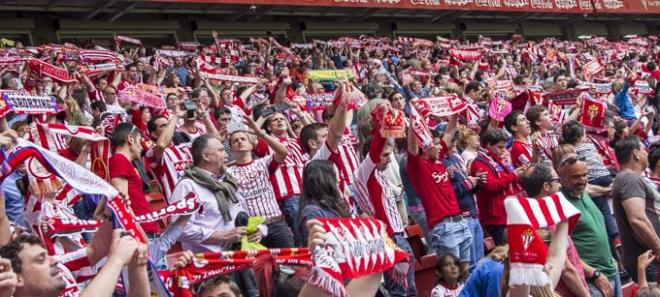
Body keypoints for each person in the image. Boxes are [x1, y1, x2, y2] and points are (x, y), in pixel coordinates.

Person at [406, 109, 473, 278]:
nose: (439, 145)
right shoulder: (418, 166)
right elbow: (412, 147)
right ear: (425, 148)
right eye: (434, 143)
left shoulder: (439, 158)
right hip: (443, 227)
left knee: (465, 271)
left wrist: (455, 110)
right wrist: (414, 122)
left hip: (460, 222)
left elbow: (450, 131)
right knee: (451, 276)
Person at [355, 118, 417, 297]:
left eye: (390, 154)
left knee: (410, 289)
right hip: (388, 238)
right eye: (385, 155)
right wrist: (383, 125)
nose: (389, 160)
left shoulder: (380, 176)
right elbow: (375, 149)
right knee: (399, 291)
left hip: (398, 236)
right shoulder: (364, 173)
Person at [0, 230, 150, 297]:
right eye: (41, 260)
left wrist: (138, 266)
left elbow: (96, 249)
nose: (55, 260)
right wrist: (116, 260)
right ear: (17, 278)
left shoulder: (61, 272)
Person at [520, 163, 591, 297]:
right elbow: (566, 270)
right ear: (546, 186)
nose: (560, 185)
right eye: (557, 181)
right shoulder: (542, 222)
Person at [558, 154, 622, 297]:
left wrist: (610, 259)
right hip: (593, 280)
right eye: (576, 177)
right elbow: (561, 253)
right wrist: (593, 273)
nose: (582, 180)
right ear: (561, 178)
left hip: (610, 272)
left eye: (585, 175)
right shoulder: (560, 204)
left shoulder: (582, 192)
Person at [226, 115, 293, 248]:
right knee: (260, 268)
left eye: (243, 139)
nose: (239, 141)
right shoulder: (227, 172)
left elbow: (283, 152)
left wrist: (260, 133)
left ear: (251, 145)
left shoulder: (264, 162)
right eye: (235, 141)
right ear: (232, 149)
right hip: (251, 229)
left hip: (276, 224)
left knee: (290, 267)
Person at [612, 136, 660, 283]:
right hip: (648, 258)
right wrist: (658, 248)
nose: (646, 153)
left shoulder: (628, 178)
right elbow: (637, 219)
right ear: (636, 154)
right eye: (643, 150)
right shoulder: (629, 179)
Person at [470, 128, 527, 245]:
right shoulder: (479, 163)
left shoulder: (500, 159)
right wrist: (514, 175)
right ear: (488, 145)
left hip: (510, 212)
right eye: (500, 147)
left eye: (504, 147)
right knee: (506, 252)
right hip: (496, 219)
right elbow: (491, 186)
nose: (503, 150)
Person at [109, 123, 159, 237]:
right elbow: (122, 204)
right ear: (130, 139)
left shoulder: (124, 161)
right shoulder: (119, 160)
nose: (142, 146)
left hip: (144, 227)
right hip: (140, 231)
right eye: (140, 141)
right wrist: (142, 236)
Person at [297, 159, 351, 246]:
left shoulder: (334, 204)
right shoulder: (311, 212)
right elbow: (315, 247)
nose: (338, 179)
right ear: (325, 179)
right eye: (334, 175)